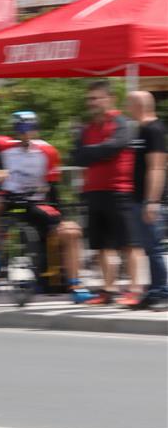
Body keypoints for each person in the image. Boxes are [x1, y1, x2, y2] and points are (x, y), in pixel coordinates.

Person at [0, 111, 94, 303]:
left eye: (31, 128)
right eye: (22, 128)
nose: (26, 133)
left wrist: (61, 217)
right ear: (15, 130)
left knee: (72, 232)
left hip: (36, 203)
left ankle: (76, 285)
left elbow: (53, 189)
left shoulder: (47, 151)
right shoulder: (4, 147)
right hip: (10, 199)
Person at [72, 80, 143, 306]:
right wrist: (99, 152)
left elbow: (116, 146)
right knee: (102, 245)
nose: (92, 103)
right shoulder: (87, 129)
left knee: (129, 244)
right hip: (94, 191)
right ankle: (108, 290)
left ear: (110, 99)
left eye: (96, 98)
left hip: (119, 190)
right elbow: (76, 156)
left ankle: (134, 289)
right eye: (89, 99)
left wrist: (91, 153)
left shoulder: (122, 123)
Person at [127, 91, 166, 309]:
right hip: (139, 198)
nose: (126, 107)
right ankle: (153, 291)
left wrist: (152, 201)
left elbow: (157, 167)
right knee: (148, 247)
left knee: (154, 248)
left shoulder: (154, 130)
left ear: (139, 105)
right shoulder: (141, 129)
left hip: (149, 200)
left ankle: (162, 292)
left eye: (129, 103)